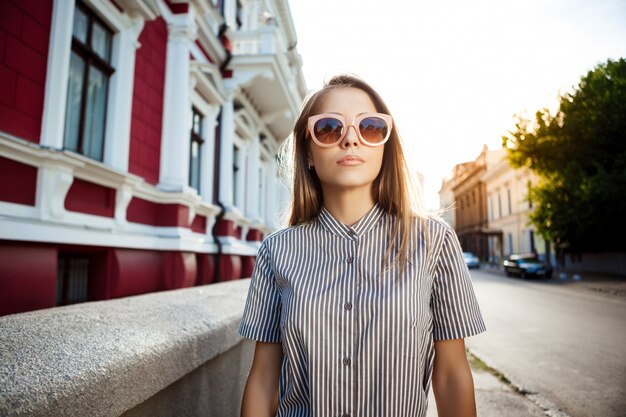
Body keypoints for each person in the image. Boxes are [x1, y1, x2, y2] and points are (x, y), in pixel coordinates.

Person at [238, 74, 486, 417]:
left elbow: (452, 376)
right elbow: (264, 379)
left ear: (385, 147)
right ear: (308, 151)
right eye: (329, 127)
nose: (351, 140)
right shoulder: (275, 252)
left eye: (370, 127)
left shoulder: (435, 242)